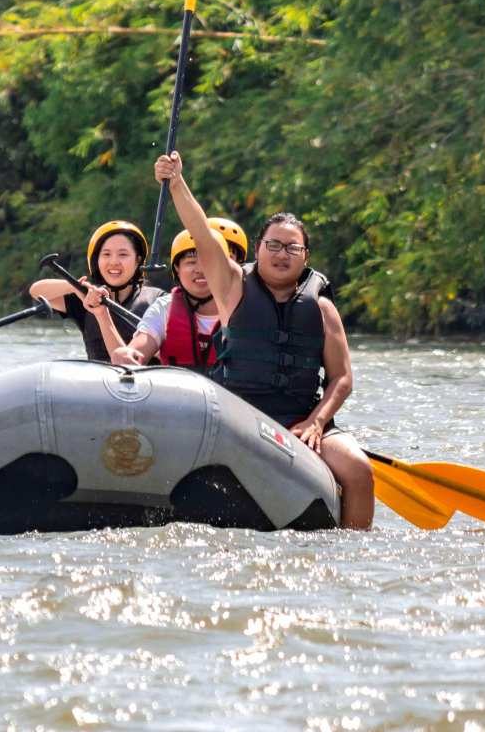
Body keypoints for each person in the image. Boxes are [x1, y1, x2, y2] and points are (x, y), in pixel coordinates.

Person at [149, 151, 374, 529]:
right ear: (258, 249)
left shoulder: (321, 308)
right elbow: (202, 232)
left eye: (292, 248)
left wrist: (316, 423)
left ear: (305, 257)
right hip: (240, 415)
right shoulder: (232, 287)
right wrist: (176, 183)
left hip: (300, 418)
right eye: (273, 245)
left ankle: (353, 549)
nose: (282, 254)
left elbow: (342, 379)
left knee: (358, 469)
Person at [112, 222, 246, 370]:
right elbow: (139, 347)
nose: (200, 270)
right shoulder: (164, 308)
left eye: (208, 262)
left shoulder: (249, 306)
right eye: (191, 262)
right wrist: (126, 354)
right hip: (179, 384)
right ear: (177, 268)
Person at [29, 220, 164, 363]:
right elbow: (36, 291)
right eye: (106, 254)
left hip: (142, 374)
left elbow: (128, 365)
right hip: (97, 376)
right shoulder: (85, 298)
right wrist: (74, 286)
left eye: (123, 254)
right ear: (96, 260)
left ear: (138, 260)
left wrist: (102, 313)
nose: (114, 262)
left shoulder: (159, 302)